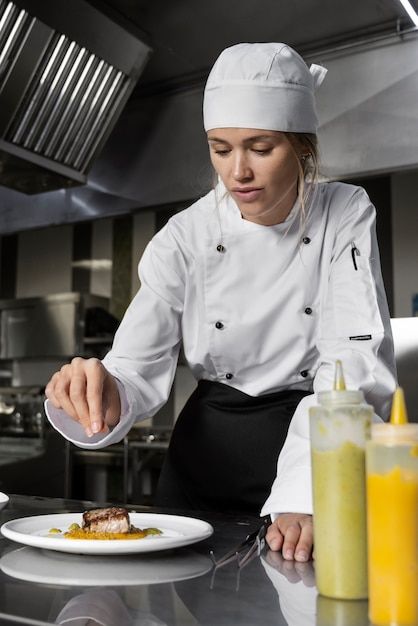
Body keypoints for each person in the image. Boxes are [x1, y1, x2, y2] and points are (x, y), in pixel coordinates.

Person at [45, 42, 397, 562]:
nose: (238, 172)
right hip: (203, 458)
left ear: (302, 146)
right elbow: (134, 368)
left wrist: (309, 489)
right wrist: (98, 391)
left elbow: (352, 360)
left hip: (308, 440)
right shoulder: (186, 235)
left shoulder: (343, 212)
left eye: (260, 147)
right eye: (221, 147)